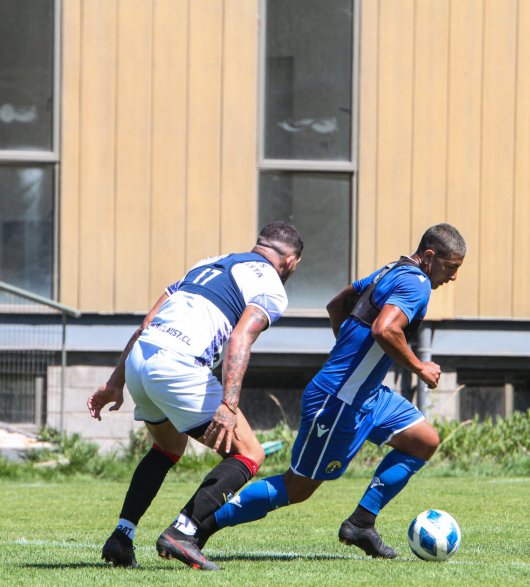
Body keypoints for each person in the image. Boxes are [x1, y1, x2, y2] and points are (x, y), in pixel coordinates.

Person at [193, 223, 466, 560]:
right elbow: (385, 329)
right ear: (429, 256)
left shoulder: (391, 270)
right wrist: (419, 367)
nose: (452, 277)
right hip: (337, 400)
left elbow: (337, 303)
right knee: (297, 487)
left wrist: (348, 350)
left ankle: (361, 523)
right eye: (451, 267)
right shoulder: (418, 284)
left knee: (423, 440)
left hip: (368, 395)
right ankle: (199, 526)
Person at [87, 221, 303, 570]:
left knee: (168, 448)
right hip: (179, 365)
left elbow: (148, 322)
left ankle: (121, 537)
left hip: (143, 358)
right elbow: (239, 340)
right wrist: (229, 404)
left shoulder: (208, 262)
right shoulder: (272, 287)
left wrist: (116, 381)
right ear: (291, 262)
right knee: (250, 453)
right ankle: (183, 532)